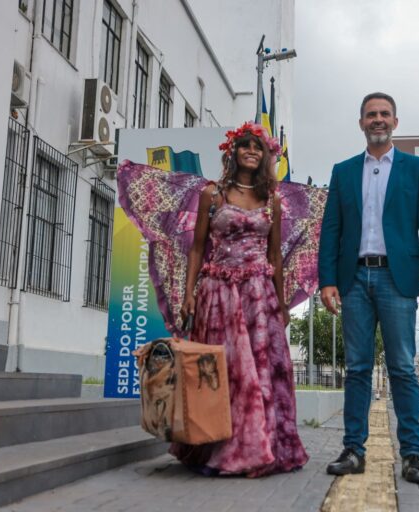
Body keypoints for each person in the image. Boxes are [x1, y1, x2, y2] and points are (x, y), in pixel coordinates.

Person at [119, 122, 314, 477]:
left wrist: (283, 305)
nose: (252, 153)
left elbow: (275, 257)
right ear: (233, 153)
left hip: (259, 295)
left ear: (266, 155)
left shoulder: (273, 201)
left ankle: (261, 447)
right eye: (245, 147)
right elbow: (196, 248)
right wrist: (189, 293)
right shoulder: (213, 194)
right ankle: (217, 447)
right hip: (218, 292)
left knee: (262, 371)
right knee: (223, 372)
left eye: (259, 148)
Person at [318, 92, 419, 484]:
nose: (378, 120)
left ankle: (412, 455)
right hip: (354, 279)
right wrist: (327, 281)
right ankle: (354, 450)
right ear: (361, 123)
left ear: (395, 121)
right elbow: (331, 231)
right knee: (356, 368)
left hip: (398, 279)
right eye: (371, 114)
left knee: (403, 369)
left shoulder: (416, 169)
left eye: (384, 114)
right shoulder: (343, 171)